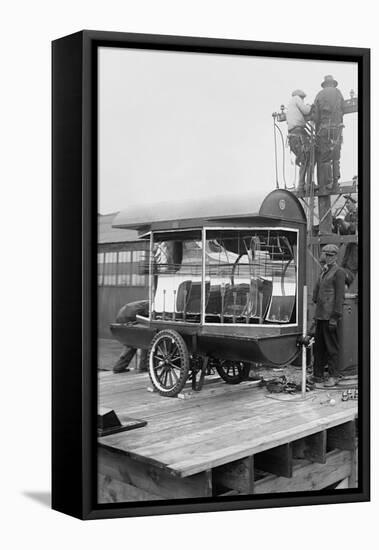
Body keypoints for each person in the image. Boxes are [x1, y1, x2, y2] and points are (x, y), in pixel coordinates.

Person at [311, 244, 345, 387]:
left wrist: (335, 317)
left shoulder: (339, 272)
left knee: (332, 348)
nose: (328, 258)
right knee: (318, 348)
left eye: (331, 255)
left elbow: (339, 297)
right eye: (326, 255)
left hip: (330, 317)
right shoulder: (324, 271)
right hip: (320, 316)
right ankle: (317, 375)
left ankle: (333, 376)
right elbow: (318, 291)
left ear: (336, 256)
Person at [313, 75, 345, 191]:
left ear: (325, 84)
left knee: (325, 157)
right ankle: (336, 183)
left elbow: (316, 117)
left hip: (324, 130)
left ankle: (327, 184)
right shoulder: (338, 93)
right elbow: (344, 108)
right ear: (333, 83)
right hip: (337, 129)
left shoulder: (319, 95)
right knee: (336, 156)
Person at [286, 89, 312, 192]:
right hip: (298, 136)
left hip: (293, 137)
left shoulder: (291, 105)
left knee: (304, 159)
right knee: (308, 158)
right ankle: (306, 185)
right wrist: (310, 106)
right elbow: (306, 110)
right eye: (303, 98)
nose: (303, 100)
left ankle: (303, 185)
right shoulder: (296, 99)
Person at [112, 300, 149, 373]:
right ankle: (143, 367)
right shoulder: (153, 305)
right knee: (146, 340)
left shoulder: (146, 303)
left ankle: (119, 367)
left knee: (131, 344)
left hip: (122, 315)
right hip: (128, 317)